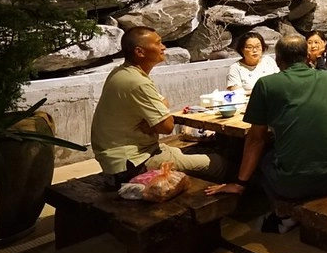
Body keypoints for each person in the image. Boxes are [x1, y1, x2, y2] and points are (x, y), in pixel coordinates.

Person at [206, 35, 327, 233]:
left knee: (265, 159)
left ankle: (284, 215)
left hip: (293, 185)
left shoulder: (266, 85)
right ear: (307, 56)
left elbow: (255, 139)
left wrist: (239, 184)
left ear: (278, 60)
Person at [91, 26, 226, 186]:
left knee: (190, 150)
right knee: (219, 164)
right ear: (140, 52)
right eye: (158, 43)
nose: (163, 47)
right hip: (133, 163)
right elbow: (167, 126)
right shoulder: (137, 82)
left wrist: (150, 122)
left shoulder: (122, 72)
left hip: (120, 158)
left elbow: (163, 102)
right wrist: (154, 122)